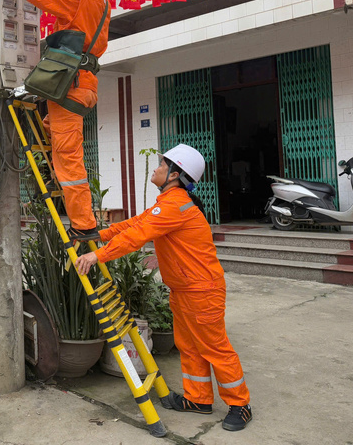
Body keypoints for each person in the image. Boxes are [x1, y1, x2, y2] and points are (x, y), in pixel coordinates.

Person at [74, 144, 253, 432]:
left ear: (174, 174)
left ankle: (240, 405)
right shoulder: (168, 203)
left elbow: (137, 236)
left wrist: (97, 255)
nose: (156, 168)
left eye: (161, 164)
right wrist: (98, 235)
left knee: (214, 347)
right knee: (189, 346)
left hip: (201, 289)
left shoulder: (175, 205)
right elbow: (135, 223)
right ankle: (198, 399)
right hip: (184, 289)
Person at [0, 0, 115, 241]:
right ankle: (54, 177)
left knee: (68, 159)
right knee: (51, 132)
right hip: (80, 86)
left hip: (71, 87)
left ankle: (84, 225)